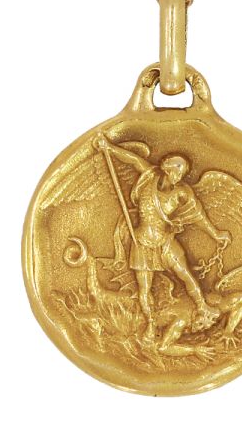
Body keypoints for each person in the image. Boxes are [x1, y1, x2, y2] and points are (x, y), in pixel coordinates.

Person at [93, 134, 231, 342]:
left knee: (186, 275)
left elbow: (198, 216)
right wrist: (109, 148)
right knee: (144, 289)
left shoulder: (182, 193)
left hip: (165, 241)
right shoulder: (149, 177)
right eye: (178, 169)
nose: (180, 174)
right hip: (141, 243)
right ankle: (150, 326)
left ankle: (202, 307)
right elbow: (132, 159)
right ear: (167, 167)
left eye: (183, 172)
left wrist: (215, 234)